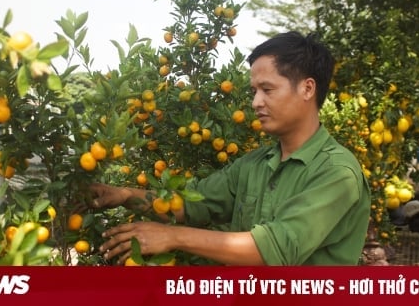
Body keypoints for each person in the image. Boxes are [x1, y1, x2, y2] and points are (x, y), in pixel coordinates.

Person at [89, 31, 371, 266]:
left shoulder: (336, 172)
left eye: (267, 90)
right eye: (254, 91)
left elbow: (276, 249)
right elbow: (191, 205)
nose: (256, 102)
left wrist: (172, 236)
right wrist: (125, 195)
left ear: (308, 89)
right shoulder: (255, 164)